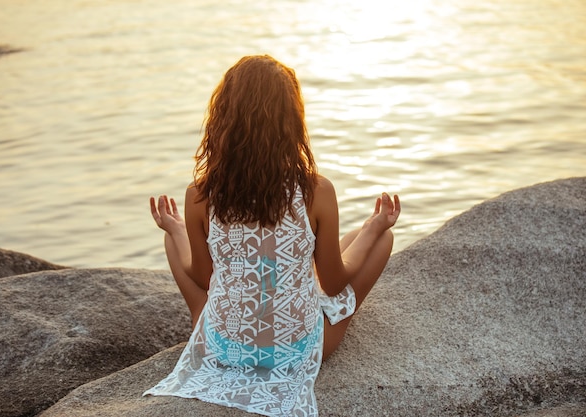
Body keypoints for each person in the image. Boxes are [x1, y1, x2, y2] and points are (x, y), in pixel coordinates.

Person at [144, 55, 400, 417]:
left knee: (175, 238)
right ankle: (367, 244)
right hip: (294, 351)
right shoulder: (315, 191)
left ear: (223, 119)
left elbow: (203, 276)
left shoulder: (199, 194)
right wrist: (375, 228)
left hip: (225, 347)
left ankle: (200, 311)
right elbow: (334, 280)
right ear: (292, 121)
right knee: (380, 239)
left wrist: (176, 230)